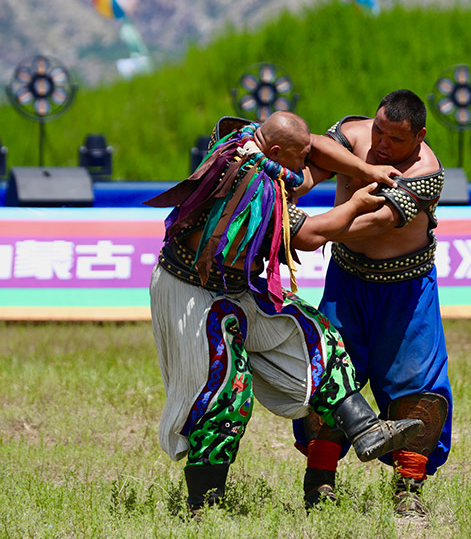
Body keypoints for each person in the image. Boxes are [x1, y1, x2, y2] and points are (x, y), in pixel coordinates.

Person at [144, 111, 422, 515]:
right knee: (224, 391)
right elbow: (309, 236)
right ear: (276, 151)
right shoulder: (252, 184)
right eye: (301, 156)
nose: (309, 159)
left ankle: (366, 430)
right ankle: (203, 505)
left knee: (315, 335)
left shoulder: (248, 141)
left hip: (237, 288)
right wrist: (359, 201)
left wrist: (366, 168)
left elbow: (318, 147)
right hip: (193, 292)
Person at [294, 90, 453, 516]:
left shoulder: (427, 172)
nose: (382, 143)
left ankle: (408, 491)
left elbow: (375, 221)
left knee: (418, 385)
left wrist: (308, 229)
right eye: (379, 130)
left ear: (419, 136)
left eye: (395, 138)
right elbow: (312, 158)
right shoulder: (355, 133)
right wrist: (287, 190)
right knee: (327, 373)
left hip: (406, 289)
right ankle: (320, 483)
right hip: (346, 281)